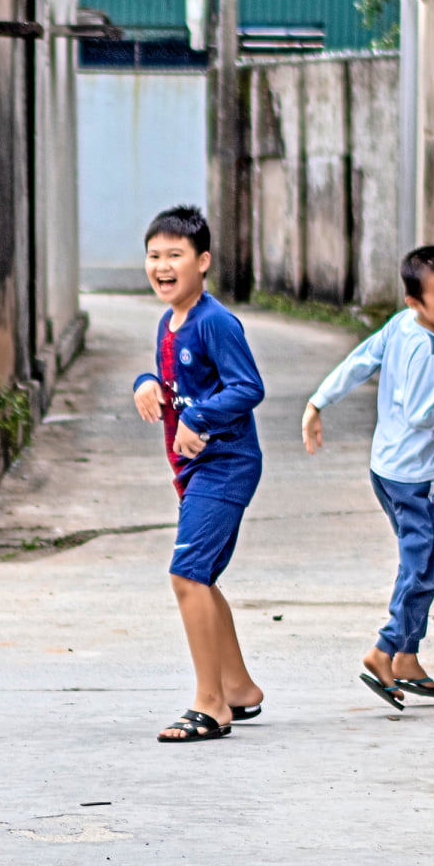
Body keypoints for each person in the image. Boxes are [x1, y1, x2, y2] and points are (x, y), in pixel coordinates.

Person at [302, 245, 434, 710]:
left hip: (389, 469)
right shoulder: (427, 349)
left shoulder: (403, 324)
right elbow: (421, 413)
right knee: (424, 568)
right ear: (415, 301)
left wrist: (318, 401)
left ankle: (407, 656)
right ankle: (385, 650)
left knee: (426, 563)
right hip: (413, 479)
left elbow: (361, 359)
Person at [129, 206, 267, 742]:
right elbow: (173, 382)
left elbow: (248, 387)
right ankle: (239, 688)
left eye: (175, 255)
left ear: (203, 261)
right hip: (194, 468)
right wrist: (146, 382)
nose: (162, 266)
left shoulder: (215, 322)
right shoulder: (169, 322)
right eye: (154, 256)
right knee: (201, 576)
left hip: (226, 464)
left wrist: (199, 418)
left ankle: (211, 705)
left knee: (186, 575)